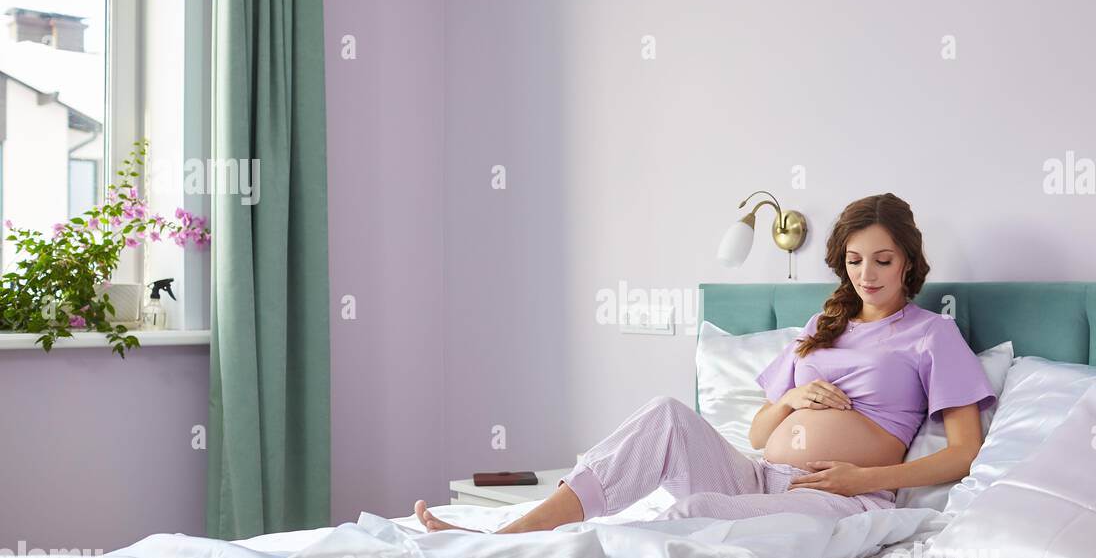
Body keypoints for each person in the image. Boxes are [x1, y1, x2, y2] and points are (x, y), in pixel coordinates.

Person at [415, 193, 995, 534]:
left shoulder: (931, 335)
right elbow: (759, 432)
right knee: (665, 414)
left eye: (882, 260)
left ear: (908, 263)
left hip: (840, 497)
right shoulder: (823, 327)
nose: (866, 275)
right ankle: (512, 538)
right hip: (764, 475)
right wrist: (791, 400)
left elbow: (963, 453)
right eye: (854, 260)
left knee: (694, 514)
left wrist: (863, 480)